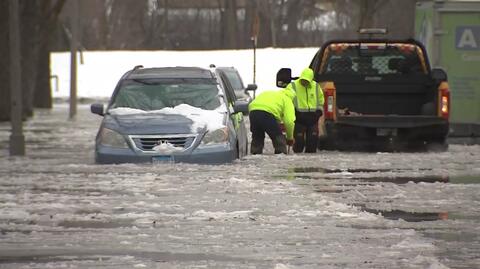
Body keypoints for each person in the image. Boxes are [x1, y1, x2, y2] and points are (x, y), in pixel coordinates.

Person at [286, 67, 324, 153]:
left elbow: (321, 101)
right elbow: (287, 100)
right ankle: (297, 162)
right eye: (303, 80)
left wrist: (318, 112)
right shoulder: (292, 86)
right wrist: (293, 113)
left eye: (307, 80)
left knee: (313, 142)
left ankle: (311, 164)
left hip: (313, 118)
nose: (305, 82)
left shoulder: (316, 86)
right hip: (299, 118)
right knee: (299, 143)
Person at [248, 88, 296, 154]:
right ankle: (281, 156)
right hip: (267, 113)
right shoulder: (287, 99)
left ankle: (254, 154)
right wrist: (290, 138)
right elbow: (289, 121)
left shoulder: (269, 93)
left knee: (257, 137)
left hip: (253, 111)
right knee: (278, 137)